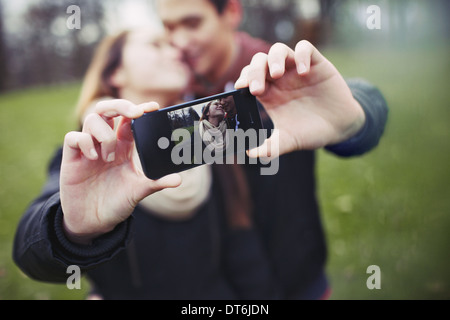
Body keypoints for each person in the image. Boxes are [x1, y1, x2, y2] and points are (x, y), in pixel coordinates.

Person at [13, 2, 389, 300]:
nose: (176, 43)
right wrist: (72, 231)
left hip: (298, 280)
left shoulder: (270, 74)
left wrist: (354, 118)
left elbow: (358, 102)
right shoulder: (107, 147)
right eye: (165, 31)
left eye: (190, 23)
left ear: (231, 13)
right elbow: (36, 246)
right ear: (114, 73)